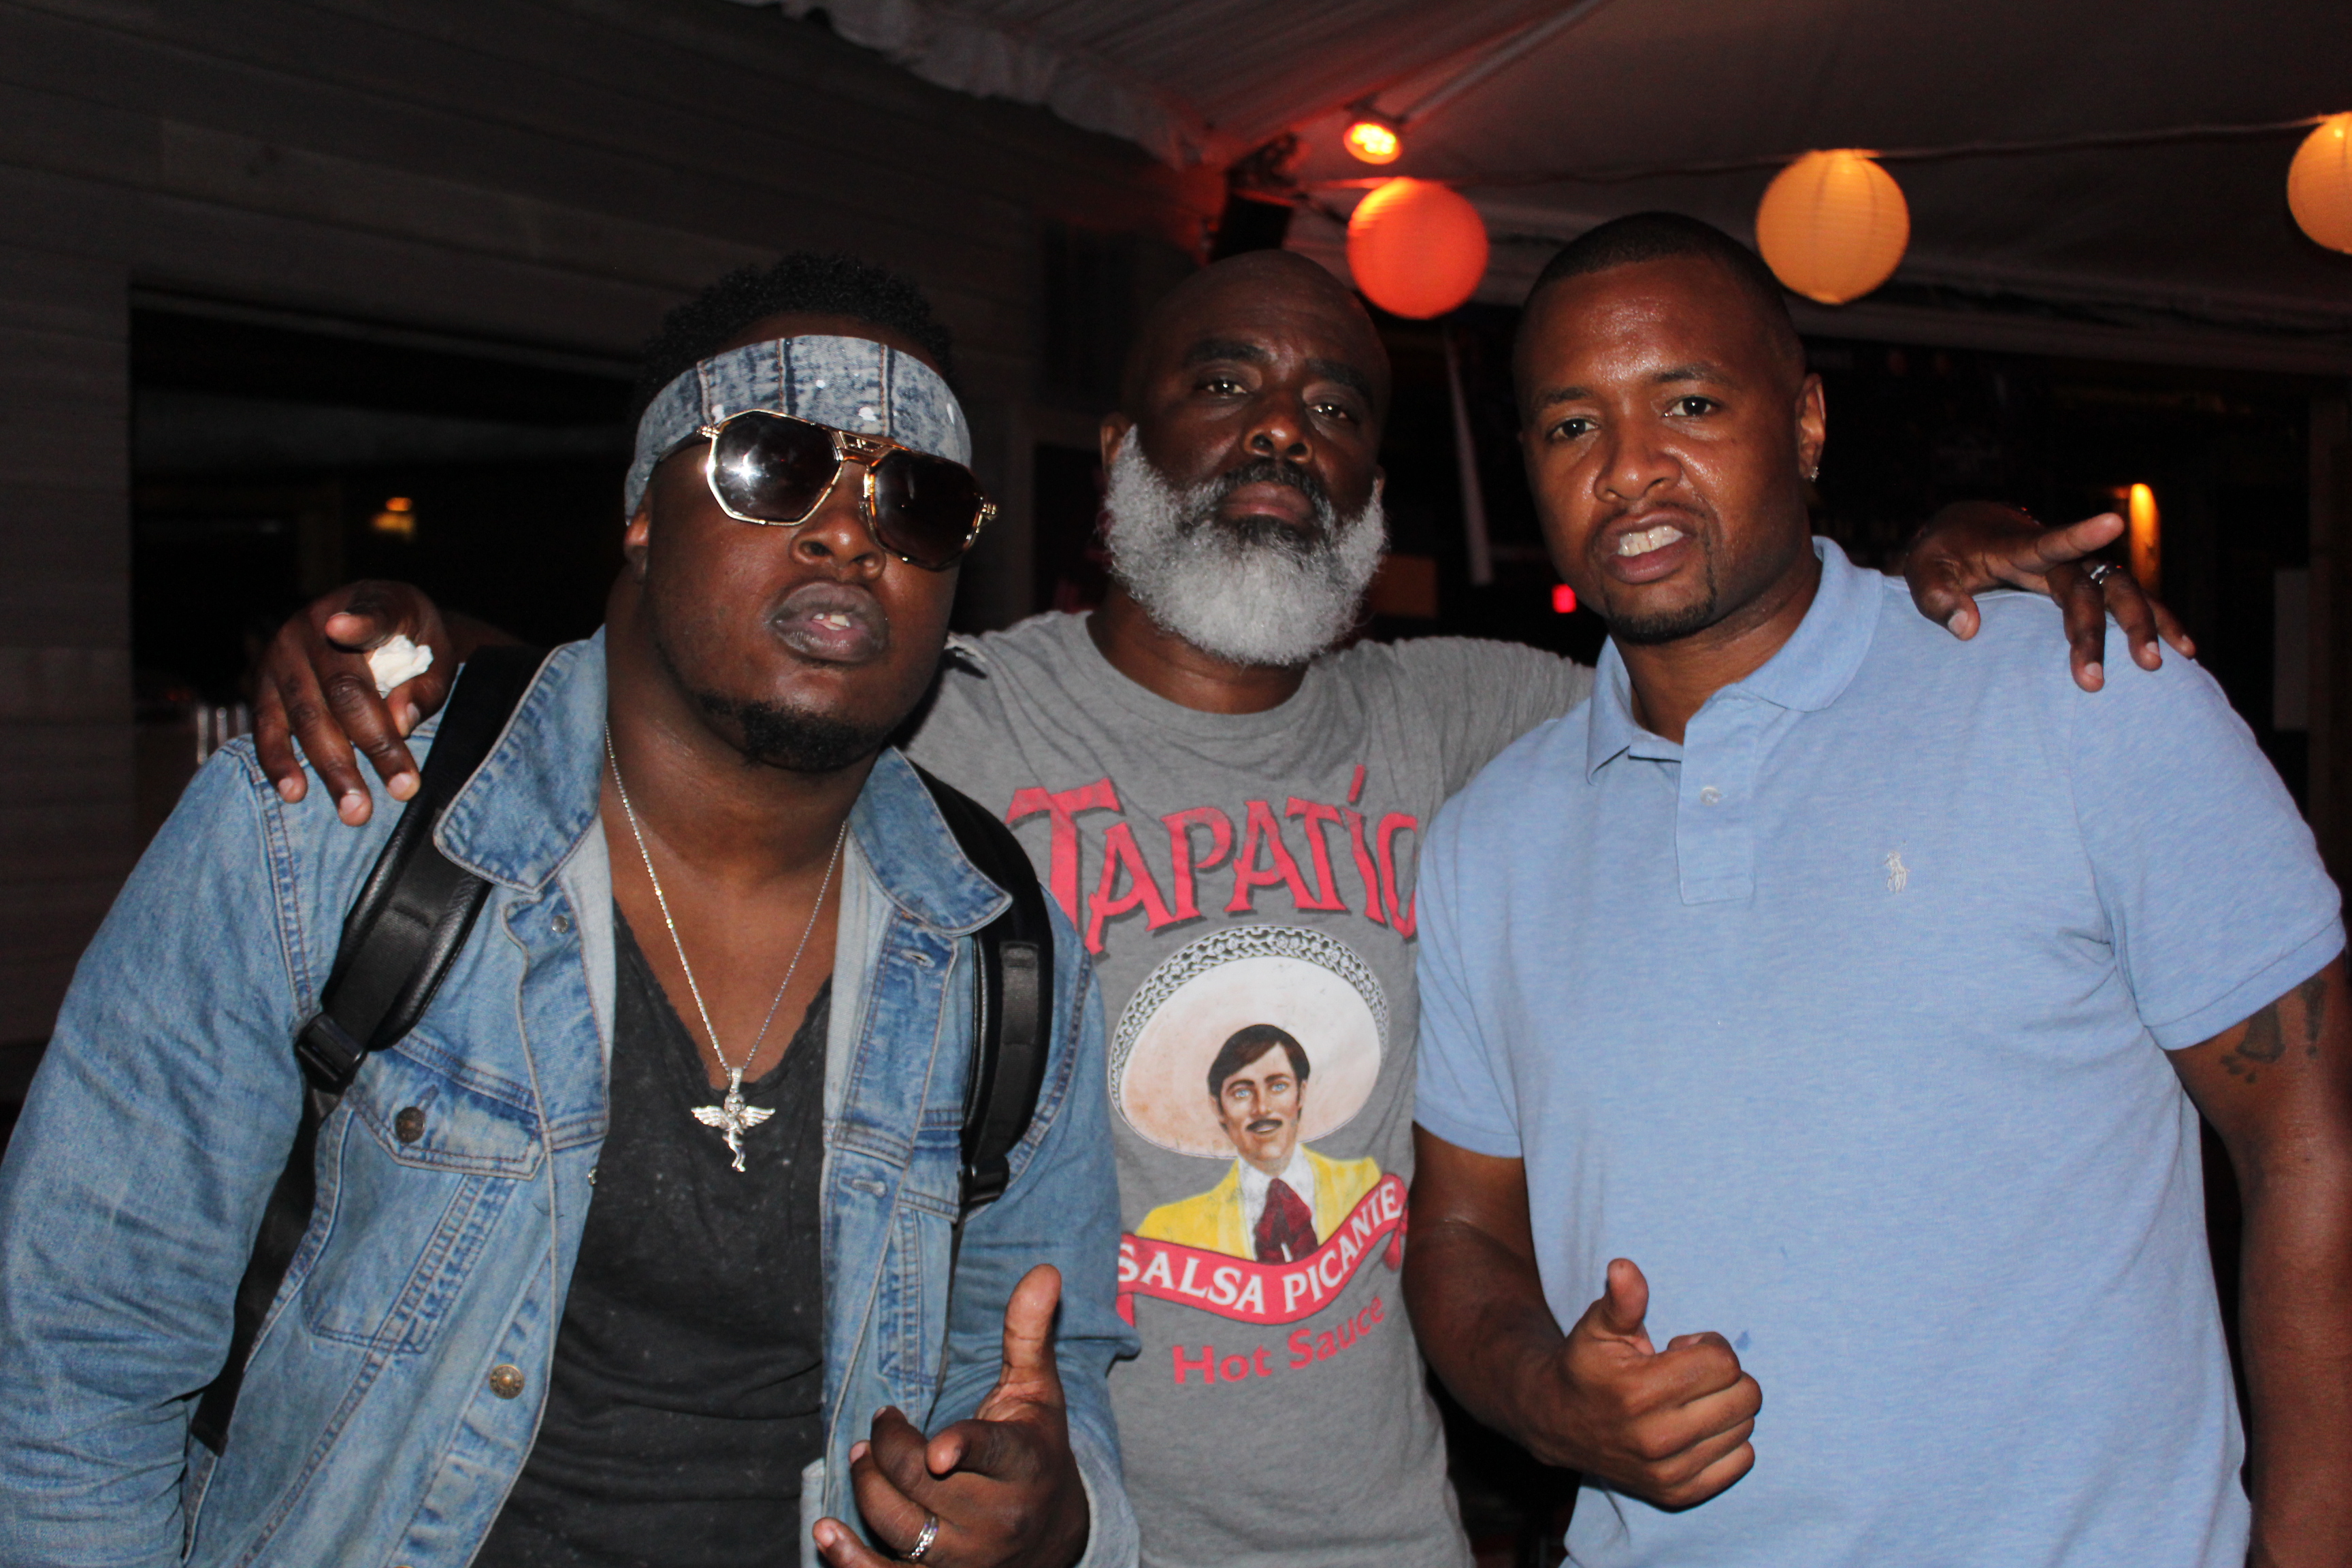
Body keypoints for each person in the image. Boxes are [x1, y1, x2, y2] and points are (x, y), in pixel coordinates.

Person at [246, 247, 2183, 1568]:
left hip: (1378, 1534)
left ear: (1372, 486)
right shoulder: (936, 711)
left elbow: (1747, 649)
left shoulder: (1482, 723)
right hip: (1015, 1519)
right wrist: (410, 648)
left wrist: (1941, 578)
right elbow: (681, 696)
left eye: (1335, 405)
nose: (1283, 429)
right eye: (1226, 383)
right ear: (1121, 453)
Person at [0, 257, 1138, 1568]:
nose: (848, 533)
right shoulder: (331, 823)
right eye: (770, 466)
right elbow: (76, 1361)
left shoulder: (1003, 944)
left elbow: (1045, 1380)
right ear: (643, 514)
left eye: (915, 498)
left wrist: (1059, 1515)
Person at [1407, 212, 2352, 1567]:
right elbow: (1460, 1233)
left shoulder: (2076, 692)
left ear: (1805, 423)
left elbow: (2308, 1137)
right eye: (1572, 425)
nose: (1628, 468)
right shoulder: (1488, 841)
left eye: (1689, 403)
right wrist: (1546, 1399)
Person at [1137, 1024, 1382, 1262]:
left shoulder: (1366, 1181)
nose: (1262, 1108)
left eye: (1278, 1086)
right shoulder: (1170, 1228)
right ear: (1218, 1108)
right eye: (1241, 1093)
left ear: (1301, 1093)